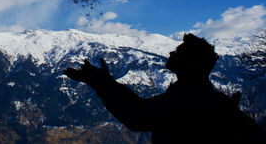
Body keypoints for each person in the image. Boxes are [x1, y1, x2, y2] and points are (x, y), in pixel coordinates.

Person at [64, 34, 266, 144]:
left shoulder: (188, 99)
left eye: (179, 52)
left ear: (191, 63)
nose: (171, 52)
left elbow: (138, 115)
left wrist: (102, 83)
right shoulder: (210, 98)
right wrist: (104, 83)